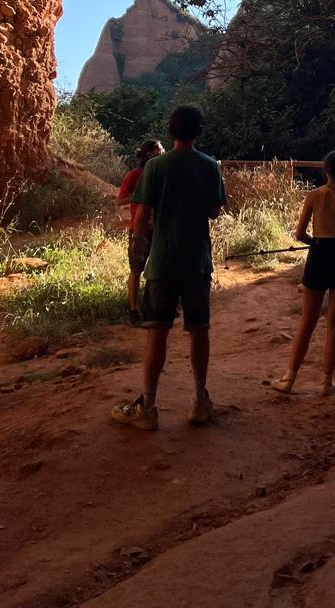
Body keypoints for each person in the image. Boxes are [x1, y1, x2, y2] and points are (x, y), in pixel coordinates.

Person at [111, 104, 226, 432]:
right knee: (199, 329)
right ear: (198, 131)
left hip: (162, 260)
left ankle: (148, 406)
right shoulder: (209, 166)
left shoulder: (155, 167)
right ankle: (200, 401)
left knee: (157, 332)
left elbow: (141, 219)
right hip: (197, 260)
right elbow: (215, 211)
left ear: (171, 131)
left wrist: (143, 244)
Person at [272, 151, 335, 398]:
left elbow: (300, 234)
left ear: (325, 171)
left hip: (319, 256)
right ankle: (327, 382)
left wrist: (315, 241)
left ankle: (289, 378)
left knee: (307, 321)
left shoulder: (314, 196)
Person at [117, 138, 165, 324]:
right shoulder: (134, 175)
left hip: (159, 228)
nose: (163, 152)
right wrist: (139, 197)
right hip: (139, 228)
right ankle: (133, 310)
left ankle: (152, 307)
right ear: (150, 153)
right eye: (160, 149)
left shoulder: (162, 174)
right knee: (136, 269)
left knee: (157, 269)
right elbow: (119, 200)